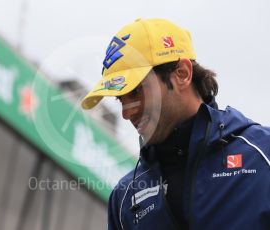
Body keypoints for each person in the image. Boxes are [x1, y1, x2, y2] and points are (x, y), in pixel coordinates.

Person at [81, 18, 270, 229]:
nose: (126, 113)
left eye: (136, 91)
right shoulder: (124, 198)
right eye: (120, 99)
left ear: (182, 74)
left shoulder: (262, 154)